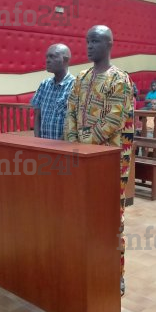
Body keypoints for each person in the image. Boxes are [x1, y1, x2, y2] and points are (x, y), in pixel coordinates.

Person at [64, 25, 134, 296]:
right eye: (87, 41)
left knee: (110, 218)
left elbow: (113, 120)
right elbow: (71, 110)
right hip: (79, 158)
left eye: (95, 41)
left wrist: (82, 145)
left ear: (109, 44)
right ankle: (86, 268)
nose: (89, 46)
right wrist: (73, 143)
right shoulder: (81, 77)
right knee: (82, 214)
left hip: (109, 161)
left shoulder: (120, 79)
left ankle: (116, 273)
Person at [31, 44, 75, 139]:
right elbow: (37, 115)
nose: (47, 60)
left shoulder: (75, 86)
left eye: (52, 56)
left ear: (65, 59)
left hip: (63, 145)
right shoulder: (44, 84)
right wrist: (37, 141)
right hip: (42, 144)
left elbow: (75, 121)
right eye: (47, 57)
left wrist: (59, 144)